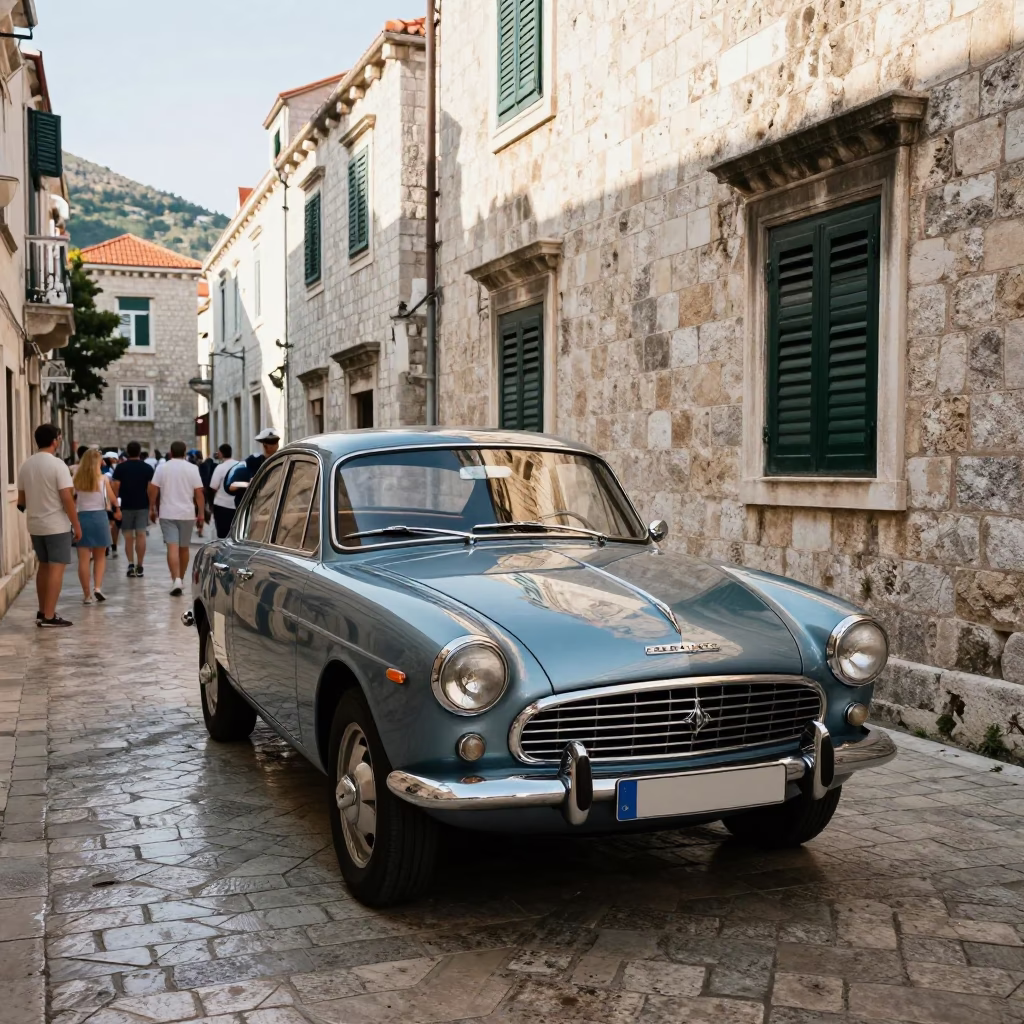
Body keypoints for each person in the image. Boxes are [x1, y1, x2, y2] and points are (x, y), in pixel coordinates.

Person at [16, 423, 82, 628]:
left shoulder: (26, 465)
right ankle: (50, 615)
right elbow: (67, 499)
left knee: (43, 567)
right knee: (56, 570)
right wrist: (76, 525)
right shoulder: (58, 465)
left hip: (35, 525)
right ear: (55, 440)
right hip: (56, 525)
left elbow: (21, 501)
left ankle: (42, 609)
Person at [149, 440, 205, 596]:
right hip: (187, 513)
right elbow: (199, 492)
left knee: (172, 547)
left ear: (171, 452)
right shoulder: (193, 468)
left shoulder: (162, 468)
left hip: (167, 512)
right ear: (185, 452)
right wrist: (201, 513)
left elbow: (153, 489)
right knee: (184, 548)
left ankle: (176, 580)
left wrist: (151, 508)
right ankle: (180, 577)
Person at [72, 449, 120, 604]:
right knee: (100, 557)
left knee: (83, 559)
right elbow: (112, 499)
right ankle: (97, 587)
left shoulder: (76, 479)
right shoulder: (103, 479)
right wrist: (117, 509)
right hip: (99, 517)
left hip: (82, 518)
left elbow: (72, 500)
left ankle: (86, 595)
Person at [112, 441, 155, 578]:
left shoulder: (120, 468)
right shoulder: (147, 468)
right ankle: (140, 565)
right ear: (139, 452)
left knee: (128, 536)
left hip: (125, 505)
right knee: (141, 535)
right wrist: (152, 506)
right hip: (142, 505)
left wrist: (116, 504)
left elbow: (115, 487)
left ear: (127, 452)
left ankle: (130, 564)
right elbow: (150, 489)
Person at [226, 427, 280, 500]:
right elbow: (232, 486)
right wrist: (250, 484)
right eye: (271, 443)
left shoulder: (282, 458)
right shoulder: (253, 461)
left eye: (275, 443)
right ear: (264, 445)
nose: (273, 446)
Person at [208, 443, 239, 538]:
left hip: (222, 505)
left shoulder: (220, 467)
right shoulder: (240, 464)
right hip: (237, 505)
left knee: (222, 535)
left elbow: (213, 486)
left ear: (220, 453)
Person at [102, 451, 121, 557]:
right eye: (114, 459)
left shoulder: (109, 470)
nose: (115, 461)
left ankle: (109, 546)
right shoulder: (108, 471)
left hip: (107, 500)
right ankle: (111, 545)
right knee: (112, 524)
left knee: (111, 524)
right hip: (108, 499)